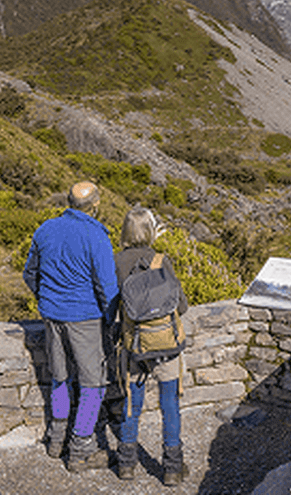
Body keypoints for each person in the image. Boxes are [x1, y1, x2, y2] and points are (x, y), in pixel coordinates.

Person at [23, 181, 119, 472]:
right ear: (96, 205)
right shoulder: (96, 234)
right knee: (93, 385)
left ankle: (56, 440)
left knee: (60, 377)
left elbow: (30, 274)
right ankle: (81, 449)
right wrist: (110, 321)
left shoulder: (45, 229)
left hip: (52, 317)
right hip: (86, 319)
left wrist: (47, 300)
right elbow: (108, 287)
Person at [114, 207, 189, 485]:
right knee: (169, 404)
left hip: (135, 346)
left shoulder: (118, 261)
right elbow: (181, 305)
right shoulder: (160, 260)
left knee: (133, 405)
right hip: (165, 344)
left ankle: (126, 465)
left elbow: (113, 305)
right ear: (150, 231)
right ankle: (171, 469)